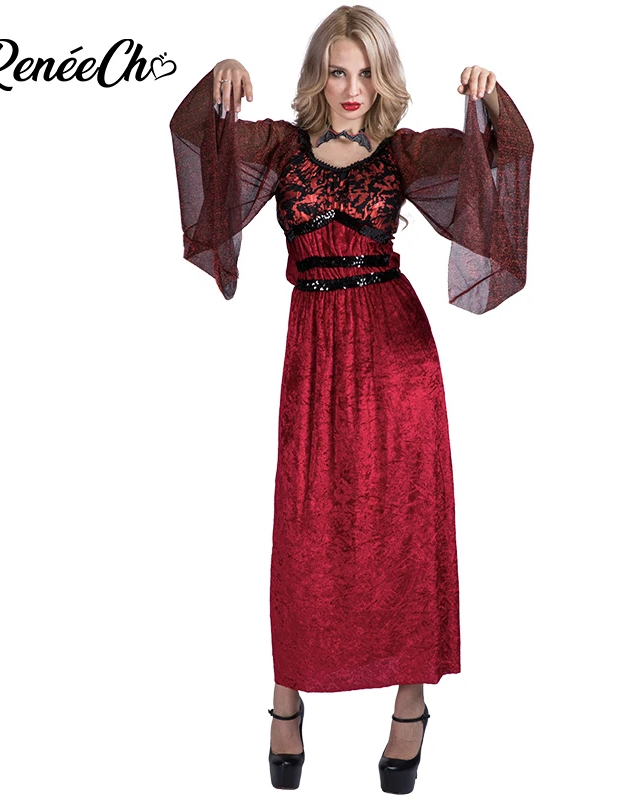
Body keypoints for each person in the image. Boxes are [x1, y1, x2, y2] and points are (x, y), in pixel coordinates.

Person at [169, 4, 533, 793]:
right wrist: (220, 81)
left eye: (366, 71)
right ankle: (286, 698)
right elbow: (204, 149)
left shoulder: (403, 154)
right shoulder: (281, 148)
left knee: (404, 524)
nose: (352, 86)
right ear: (319, 75)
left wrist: (491, 102)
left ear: (383, 77)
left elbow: (496, 168)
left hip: (397, 358)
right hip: (315, 356)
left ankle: (410, 705)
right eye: (338, 70)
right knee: (307, 527)